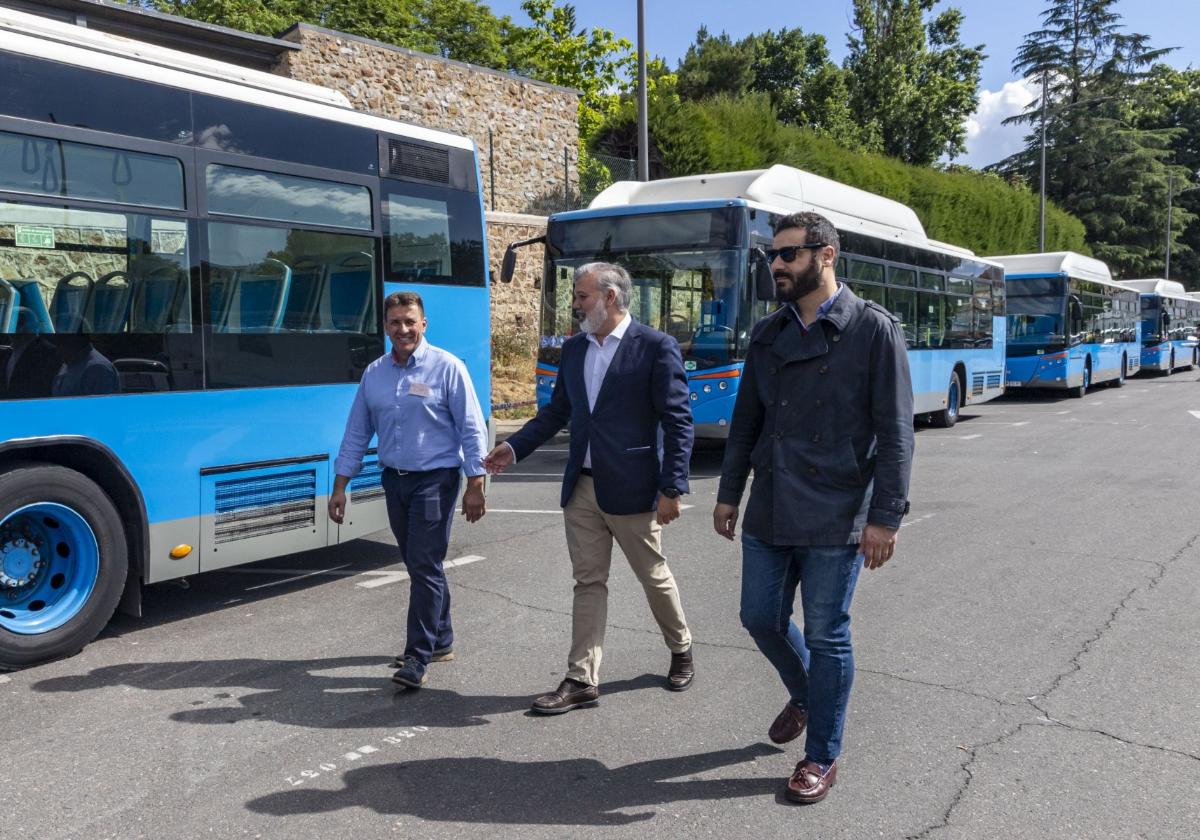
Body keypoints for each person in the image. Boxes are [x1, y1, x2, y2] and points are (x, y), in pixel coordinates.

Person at [712, 211, 914, 804]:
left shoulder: (874, 329)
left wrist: (886, 517)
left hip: (838, 508)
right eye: (772, 255)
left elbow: (896, 432)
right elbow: (747, 419)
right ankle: (808, 693)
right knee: (758, 618)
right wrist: (729, 493)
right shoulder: (769, 333)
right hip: (771, 505)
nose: (775, 265)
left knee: (828, 635)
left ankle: (821, 756)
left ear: (826, 255)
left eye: (788, 254)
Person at [483, 261, 695, 715]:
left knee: (652, 576)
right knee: (588, 582)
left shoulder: (656, 347)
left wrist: (672, 487)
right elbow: (557, 411)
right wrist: (514, 448)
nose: (575, 305)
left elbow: (678, 421)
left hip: (634, 488)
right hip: (581, 488)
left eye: (582, 297)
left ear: (610, 297)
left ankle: (681, 647)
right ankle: (581, 678)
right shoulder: (576, 348)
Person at [330, 290, 488, 689]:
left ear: (424, 324)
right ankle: (442, 639)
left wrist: (476, 483)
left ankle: (418, 656)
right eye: (395, 322)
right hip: (394, 479)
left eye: (410, 321)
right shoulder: (375, 373)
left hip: (436, 480)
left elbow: (472, 428)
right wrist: (340, 485)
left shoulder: (447, 368)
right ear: (385, 327)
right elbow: (356, 433)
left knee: (422, 562)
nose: (403, 329)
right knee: (423, 564)